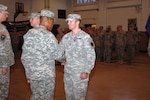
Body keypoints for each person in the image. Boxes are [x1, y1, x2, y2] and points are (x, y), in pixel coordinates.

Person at [21, 9, 59, 100]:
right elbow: (57, 54)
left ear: (39, 19)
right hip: (46, 75)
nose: (29, 21)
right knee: (47, 97)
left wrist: (28, 74)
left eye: (31, 19)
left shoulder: (28, 34)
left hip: (33, 74)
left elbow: (24, 58)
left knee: (36, 95)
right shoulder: (48, 35)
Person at [59, 14, 96, 100]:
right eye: (68, 21)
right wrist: (62, 60)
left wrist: (86, 71)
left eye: (71, 21)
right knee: (69, 96)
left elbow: (91, 56)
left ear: (77, 22)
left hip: (80, 73)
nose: (68, 23)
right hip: (68, 72)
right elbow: (59, 51)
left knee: (79, 97)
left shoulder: (85, 37)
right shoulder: (66, 37)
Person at [0, 4, 15, 99]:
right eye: (5, 13)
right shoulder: (1, 29)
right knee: (3, 88)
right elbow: (1, 48)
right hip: (1, 64)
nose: (7, 16)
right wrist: (4, 65)